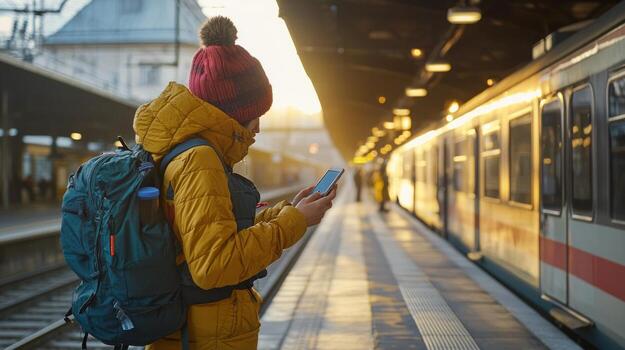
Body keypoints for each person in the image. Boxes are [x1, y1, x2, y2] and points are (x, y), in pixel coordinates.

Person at [135, 17, 336, 350]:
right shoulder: (200, 161)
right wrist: (295, 223)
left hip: (199, 330)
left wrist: (288, 212)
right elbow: (215, 265)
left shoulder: (187, 152)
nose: (257, 126)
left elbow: (205, 236)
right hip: (204, 335)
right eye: (255, 113)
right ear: (232, 110)